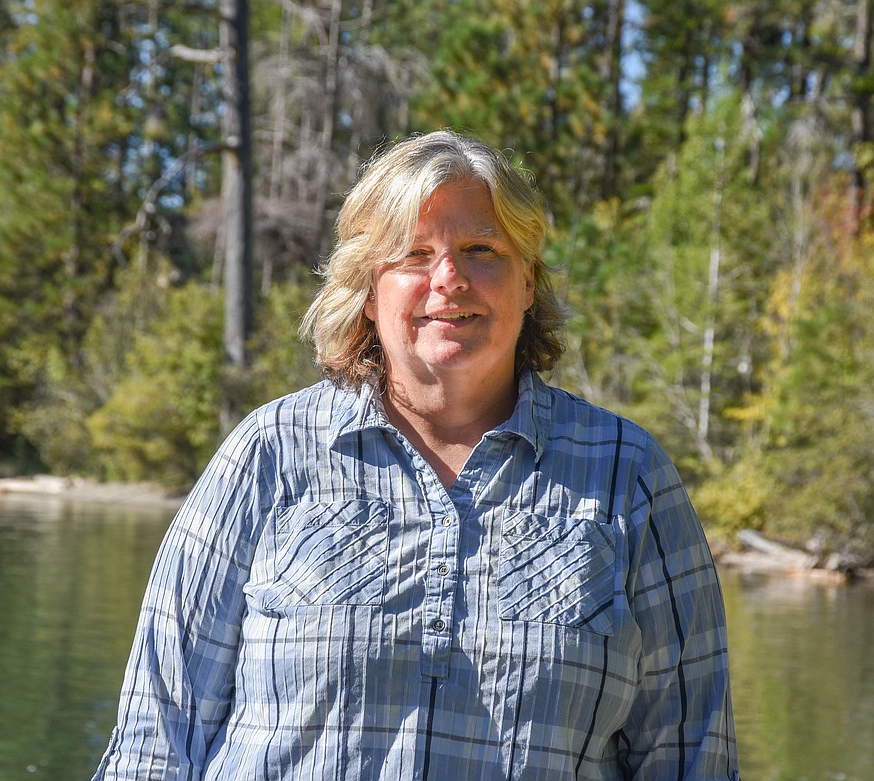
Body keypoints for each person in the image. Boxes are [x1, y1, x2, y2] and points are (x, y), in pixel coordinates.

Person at [92, 129, 740, 780]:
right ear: (369, 291)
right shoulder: (269, 454)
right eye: (414, 255)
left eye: (481, 250)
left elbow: (695, 760)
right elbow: (154, 745)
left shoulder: (628, 474)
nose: (448, 279)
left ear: (527, 283)